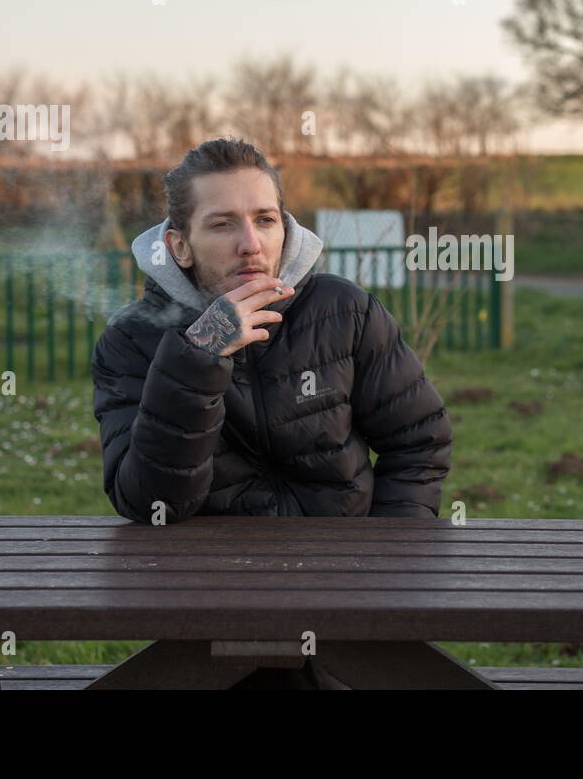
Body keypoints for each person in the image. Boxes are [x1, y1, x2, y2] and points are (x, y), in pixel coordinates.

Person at [91, 137, 453, 688]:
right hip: (207, 604)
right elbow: (150, 501)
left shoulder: (343, 309)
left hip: (345, 594)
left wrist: (382, 560)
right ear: (179, 245)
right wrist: (198, 356)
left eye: (265, 220)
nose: (250, 245)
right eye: (222, 225)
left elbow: (418, 441)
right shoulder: (131, 340)